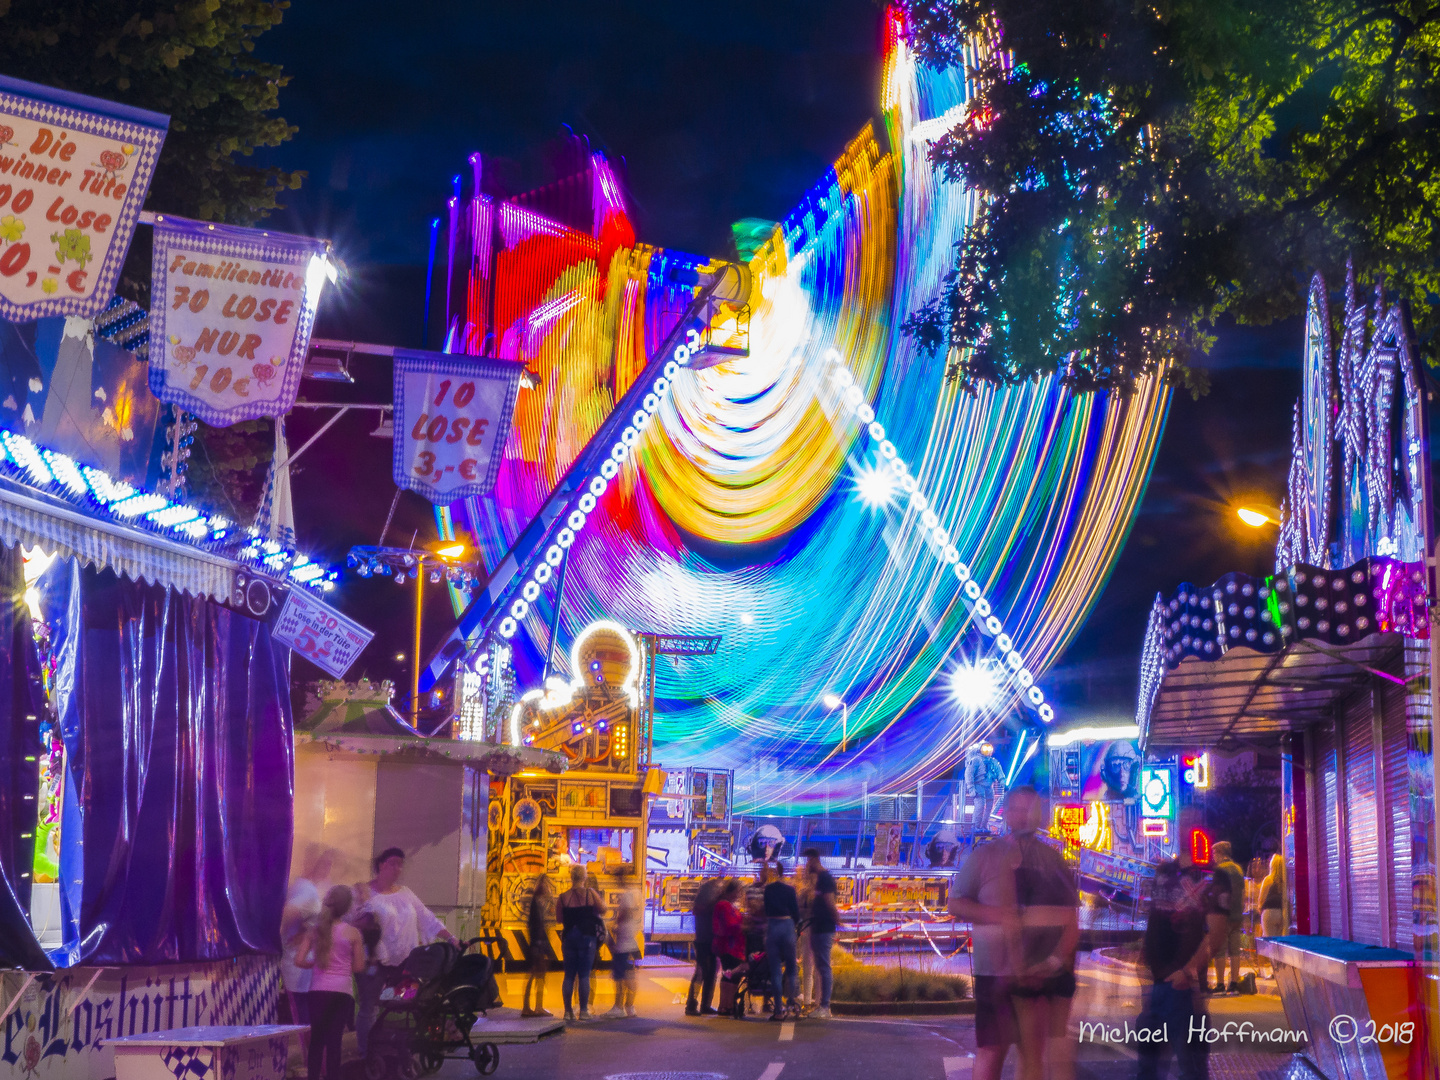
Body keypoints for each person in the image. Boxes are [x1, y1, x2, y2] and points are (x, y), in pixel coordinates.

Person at [1135, 811, 1228, 1080]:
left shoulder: (1214, 877)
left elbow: (1216, 934)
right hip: (1156, 986)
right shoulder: (1164, 871)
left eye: (1194, 821)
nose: (1187, 828)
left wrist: (1188, 973)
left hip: (1186, 989)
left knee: (1192, 1070)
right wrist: (1143, 969)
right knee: (1148, 1070)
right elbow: (1154, 922)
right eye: (1184, 821)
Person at [351, 848, 457, 1056]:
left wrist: (451, 938)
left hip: (405, 963)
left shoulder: (405, 893)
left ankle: (420, 1046)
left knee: (411, 999)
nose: (397, 868)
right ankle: (366, 1052)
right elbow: (352, 922)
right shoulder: (365, 893)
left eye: (400, 864)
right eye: (393, 863)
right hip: (374, 963)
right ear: (381, 865)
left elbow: (427, 918)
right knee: (370, 1006)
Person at [1006, 787, 1079, 1080]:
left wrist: (1022, 966)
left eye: (1027, 810)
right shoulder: (1055, 860)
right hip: (1053, 968)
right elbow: (1072, 921)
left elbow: (1009, 919)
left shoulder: (1003, 860)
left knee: (1030, 1053)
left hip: (1029, 969)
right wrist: (1057, 961)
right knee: (1056, 1047)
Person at [950, 793, 1021, 1080]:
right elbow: (955, 903)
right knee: (993, 1048)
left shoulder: (1045, 858)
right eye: (1017, 810)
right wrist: (998, 916)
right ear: (1006, 815)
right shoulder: (986, 856)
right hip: (994, 971)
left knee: (1034, 1050)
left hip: (1035, 970)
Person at [295, 885, 366, 1080]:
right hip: (342, 992)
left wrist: (316, 964)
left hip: (317, 991)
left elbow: (298, 960)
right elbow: (359, 967)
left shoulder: (314, 931)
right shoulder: (353, 933)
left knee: (317, 1041)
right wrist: (342, 969)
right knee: (335, 1042)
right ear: (347, 907)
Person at [280, 849, 335, 1025]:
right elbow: (287, 914)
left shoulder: (302, 886)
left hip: (301, 962)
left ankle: (311, 1048)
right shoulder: (307, 890)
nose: (328, 868)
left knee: (304, 1010)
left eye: (329, 864)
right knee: (303, 1014)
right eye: (324, 863)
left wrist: (308, 929)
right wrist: (306, 932)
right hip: (298, 963)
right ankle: (309, 1050)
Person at [556, 863, 606, 1021]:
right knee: (584, 975)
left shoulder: (563, 897)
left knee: (569, 975)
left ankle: (567, 1012)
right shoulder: (590, 894)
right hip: (587, 938)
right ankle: (583, 1011)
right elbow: (603, 909)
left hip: (569, 937)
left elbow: (559, 919)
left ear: (571, 877)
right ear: (584, 877)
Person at [763, 860, 801, 1021]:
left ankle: (778, 1010)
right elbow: (796, 913)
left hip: (772, 926)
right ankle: (791, 1004)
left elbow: (765, 909)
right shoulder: (790, 890)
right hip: (787, 926)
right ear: (783, 872)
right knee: (791, 968)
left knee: (775, 970)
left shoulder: (768, 890)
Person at [803, 849, 838, 1019]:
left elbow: (829, 902)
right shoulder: (818, 880)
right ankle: (822, 1005)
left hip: (824, 927)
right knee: (821, 965)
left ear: (814, 859)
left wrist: (837, 920)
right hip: (818, 927)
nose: (806, 865)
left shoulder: (825, 879)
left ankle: (825, 1006)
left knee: (824, 967)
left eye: (807, 860)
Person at [605, 869, 642, 1018]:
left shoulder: (627, 895)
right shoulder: (636, 893)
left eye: (617, 879)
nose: (617, 882)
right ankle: (630, 1006)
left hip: (624, 939)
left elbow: (624, 914)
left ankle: (618, 1006)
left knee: (620, 975)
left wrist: (615, 926)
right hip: (631, 938)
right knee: (629, 973)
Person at [1210, 841, 1246, 993]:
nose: (1213, 857)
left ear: (1220, 853)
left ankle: (1220, 984)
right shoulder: (1238, 869)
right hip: (1237, 915)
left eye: (1214, 854)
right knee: (1234, 951)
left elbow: (1216, 894)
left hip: (1222, 916)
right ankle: (1234, 983)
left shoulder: (1219, 870)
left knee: (1220, 951)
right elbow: (1243, 894)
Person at [685, 875, 723, 1015]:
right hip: (704, 940)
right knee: (702, 972)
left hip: (707, 939)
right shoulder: (706, 907)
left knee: (711, 972)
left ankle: (705, 1004)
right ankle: (692, 1005)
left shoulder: (704, 905)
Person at [522, 873, 555, 1018]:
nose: (549, 889)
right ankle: (538, 1007)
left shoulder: (536, 903)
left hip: (535, 943)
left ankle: (527, 1006)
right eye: (548, 885)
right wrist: (545, 947)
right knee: (539, 975)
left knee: (533, 975)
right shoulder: (538, 904)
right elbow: (539, 927)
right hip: (538, 944)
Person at [1257, 854, 1287, 978]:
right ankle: (1282, 971)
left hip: (1269, 913)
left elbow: (1261, 900)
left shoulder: (1268, 880)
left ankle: (1275, 972)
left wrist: (1260, 910)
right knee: (1280, 943)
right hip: (1282, 913)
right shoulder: (1285, 881)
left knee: (1270, 943)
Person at [965, 743, 1005, 835]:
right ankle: (976, 827)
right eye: (985, 749)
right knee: (980, 807)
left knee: (989, 807)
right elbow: (969, 774)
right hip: (979, 786)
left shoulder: (993, 761)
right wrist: (971, 788)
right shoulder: (975, 760)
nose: (987, 751)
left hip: (989, 787)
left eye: (988, 749)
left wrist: (1002, 782)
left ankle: (983, 826)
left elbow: (999, 772)